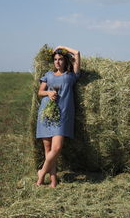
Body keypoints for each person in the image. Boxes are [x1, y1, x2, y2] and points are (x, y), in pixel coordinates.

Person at [36, 46, 81, 187]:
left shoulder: (71, 75)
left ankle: (41, 173)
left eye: (60, 59)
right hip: (47, 113)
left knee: (56, 149)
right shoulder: (48, 75)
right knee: (48, 150)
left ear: (65, 60)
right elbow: (40, 92)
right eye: (55, 59)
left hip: (63, 115)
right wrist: (48, 93)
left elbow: (77, 53)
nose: (57, 62)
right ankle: (52, 181)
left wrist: (62, 47)